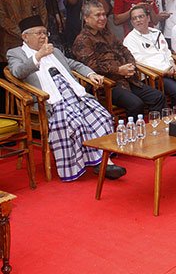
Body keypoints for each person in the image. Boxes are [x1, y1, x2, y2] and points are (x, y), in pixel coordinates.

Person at [7, 15, 126, 181]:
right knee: (74, 122)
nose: (43, 36)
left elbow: (74, 64)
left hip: (73, 92)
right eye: (38, 33)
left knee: (102, 116)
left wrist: (90, 73)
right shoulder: (15, 53)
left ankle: (102, 161)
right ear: (25, 37)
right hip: (48, 101)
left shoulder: (54, 50)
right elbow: (17, 72)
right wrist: (38, 56)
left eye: (44, 32)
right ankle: (102, 164)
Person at [72, 0, 166, 118]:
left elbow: (125, 50)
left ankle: (155, 130)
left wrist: (130, 66)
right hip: (106, 85)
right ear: (86, 18)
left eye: (104, 14)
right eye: (97, 15)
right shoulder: (82, 40)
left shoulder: (107, 33)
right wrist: (118, 70)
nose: (102, 18)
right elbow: (92, 66)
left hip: (128, 78)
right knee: (136, 104)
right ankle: (134, 134)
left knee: (157, 96)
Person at [123, 5, 176, 107]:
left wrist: (174, 66)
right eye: (134, 18)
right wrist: (164, 72)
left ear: (148, 18)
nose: (138, 20)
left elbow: (167, 53)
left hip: (170, 70)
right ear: (131, 22)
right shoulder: (130, 39)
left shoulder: (156, 33)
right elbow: (139, 62)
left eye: (141, 16)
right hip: (153, 75)